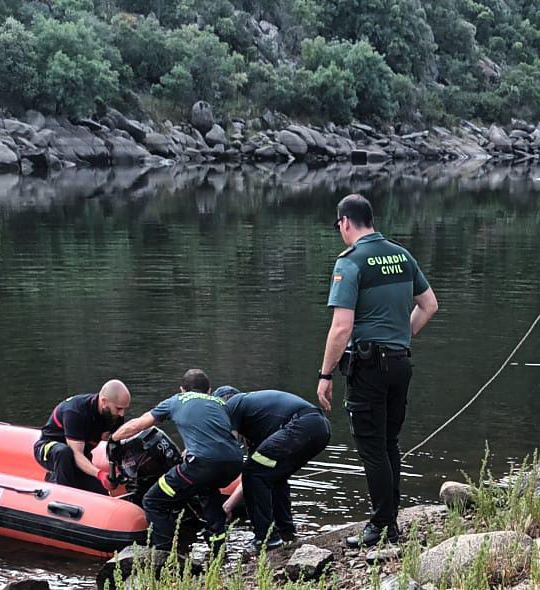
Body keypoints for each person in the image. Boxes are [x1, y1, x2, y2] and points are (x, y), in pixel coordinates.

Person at [316, 193, 439, 549]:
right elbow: (429, 304)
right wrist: (403, 334)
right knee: (388, 442)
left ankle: (383, 526)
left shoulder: (350, 262)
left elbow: (341, 328)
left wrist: (325, 376)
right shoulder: (402, 254)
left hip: (369, 366)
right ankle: (390, 520)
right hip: (400, 361)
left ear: (344, 222)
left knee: (371, 447)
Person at [112, 369, 242, 552]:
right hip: (234, 464)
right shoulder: (221, 403)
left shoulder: (176, 401)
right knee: (208, 489)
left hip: (202, 465)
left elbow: (138, 425)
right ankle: (218, 548)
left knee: (153, 500)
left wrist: (113, 439)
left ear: (182, 389)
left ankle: (164, 554)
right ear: (209, 390)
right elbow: (223, 433)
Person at [213, 386, 331, 550]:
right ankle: (286, 532)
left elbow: (229, 450)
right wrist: (228, 506)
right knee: (274, 477)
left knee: (253, 473)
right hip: (320, 428)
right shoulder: (257, 421)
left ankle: (265, 537)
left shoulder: (232, 404)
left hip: (301, 425)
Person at [33, 380, 131, 494]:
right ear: (104, 402)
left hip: (81, 455)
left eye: (124, 409)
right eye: (119, 409)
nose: (122, 414)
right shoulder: (75, 411)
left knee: (101, 492)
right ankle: (63, 493)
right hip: (50, 449)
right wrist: (100, 474)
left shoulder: (114, 416)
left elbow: (115, 445)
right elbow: (76, 454)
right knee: (64, 452)